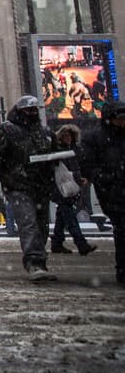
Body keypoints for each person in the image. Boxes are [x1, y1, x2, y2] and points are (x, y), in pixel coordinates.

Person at [0, 95, 58, 283]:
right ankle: (34, 262)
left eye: (34, 110)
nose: (32, 113)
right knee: (28, 222)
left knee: (40, 225)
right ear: (20, 111)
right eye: (28, 110)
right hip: (17, 185)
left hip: (40, 185)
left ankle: (40, 260)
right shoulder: (7, 131)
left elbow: (54, 155)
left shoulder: (43, 132)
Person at [78, 101, 125, 286]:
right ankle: (122, 270)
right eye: (119, 119)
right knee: (122, 231)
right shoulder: (96, 138)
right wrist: (105, 176)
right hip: (113, 191)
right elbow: (88, 165)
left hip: (113, 186)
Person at [49, 125, 95, 257]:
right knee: (69, 216)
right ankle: (81, 243)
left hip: (68, 186)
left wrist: (82, 177)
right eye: (66, 136)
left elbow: (79, 166)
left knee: (62, 215)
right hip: (62, 187)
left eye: (70, 136)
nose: (68, 138)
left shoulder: (72, 150)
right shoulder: (61, 151)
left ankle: (57, 242)